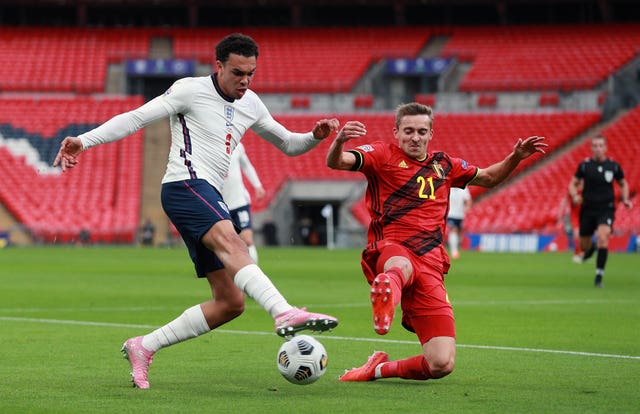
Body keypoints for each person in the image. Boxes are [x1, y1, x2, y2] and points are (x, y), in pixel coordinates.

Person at [53, 33, 339, 389]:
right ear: (218, 66)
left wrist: (315, 135)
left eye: (251, 73)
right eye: (237, 72)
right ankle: (284, 311)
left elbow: (288, 143)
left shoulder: (251, 102)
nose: (245, 81)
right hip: (184, 185)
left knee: (230, 302)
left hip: (205, 193)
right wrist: (85, 140)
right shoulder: (189, 90)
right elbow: (137, 118)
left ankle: (144, 346)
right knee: (234, 243)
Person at [326, 102, 546, 382]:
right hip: (392, 246)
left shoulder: (446, 165)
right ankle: (386, 295)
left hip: (430, 262)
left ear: (431, 134)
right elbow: (337, 162)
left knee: (441, 363)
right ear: (396, 132)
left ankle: (376, 369)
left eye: (421, 131)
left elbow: (490, 178)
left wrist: (516, 157)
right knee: (399, 266)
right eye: (408, 131)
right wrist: (340, 141)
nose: (414, 137)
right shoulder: (382, 154)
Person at [568, 134, 632, 287]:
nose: (597, 148)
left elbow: (623, 184)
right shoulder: (585, 166)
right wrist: (574, 195)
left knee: (603, 237)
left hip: (606, 209)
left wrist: (625, 199)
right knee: (584, 246)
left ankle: (599, 276)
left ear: (606, 148)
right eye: (595, 146)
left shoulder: (614, 166)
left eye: (600, 145)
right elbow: (572, 184)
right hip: (588, 209)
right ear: (591, 148)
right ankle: (592, 249)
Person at [221, 142, 265, 263]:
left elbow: (246, 165)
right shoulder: (208, 146)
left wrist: (257, 185)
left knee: (247, 240)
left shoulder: (237, 145)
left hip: (239, 201)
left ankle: (254, 272)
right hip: (220, 204)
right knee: (226, 243)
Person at [557, 185, 583, 263]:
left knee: (584, 236)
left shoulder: (587, 191)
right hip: (574, 216)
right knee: (577, 234)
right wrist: (560, 215)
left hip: (585, 215)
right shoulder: (571, 191)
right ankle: (577, 253)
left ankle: (581, 252)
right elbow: (564, 202)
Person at [446, 187, 472, 259]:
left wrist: (466, 208)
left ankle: (456, 249)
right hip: (450, 214)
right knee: (453, 230)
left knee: (458, 232)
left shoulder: (464, 188)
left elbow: (468, 200)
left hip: (460, 215)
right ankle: (454, 252)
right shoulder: (449, 188)